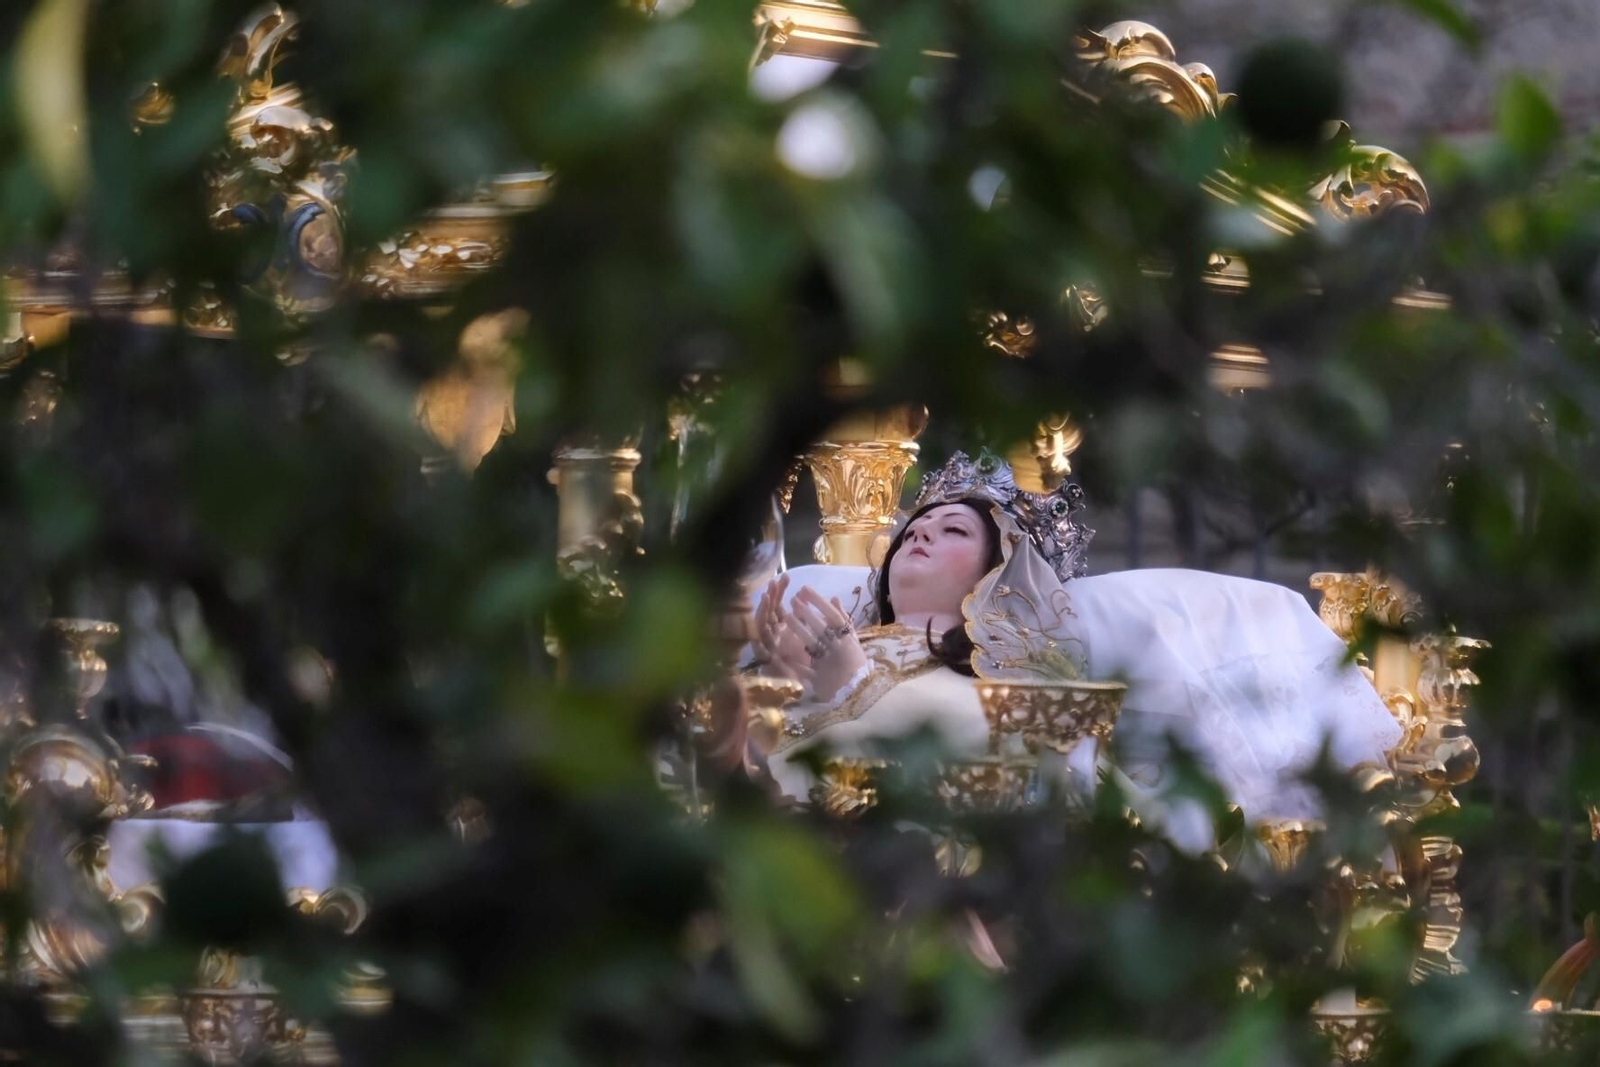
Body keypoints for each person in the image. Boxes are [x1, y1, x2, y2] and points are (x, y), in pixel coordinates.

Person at [750, 451, 1403, 850]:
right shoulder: (846, 641)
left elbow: (1016, 756)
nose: (919, 535)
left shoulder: (1010, 677)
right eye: (914, 528)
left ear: (997, 571)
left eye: (951, 529)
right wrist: (780, 689)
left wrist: (851, 692)